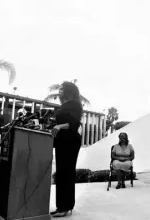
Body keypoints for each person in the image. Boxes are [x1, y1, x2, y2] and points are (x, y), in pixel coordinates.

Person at [50, 81, 83, 217]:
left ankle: (66, 206)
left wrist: (59, 126)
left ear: (70, 90)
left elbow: (74, 124)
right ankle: (61, 206)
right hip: (62, 141)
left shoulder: (76, 104)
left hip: (70, 141)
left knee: (67, 173)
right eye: (59, 89)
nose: (59, 91)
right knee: (61, 173)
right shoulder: (64, 105)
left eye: (62, 89)